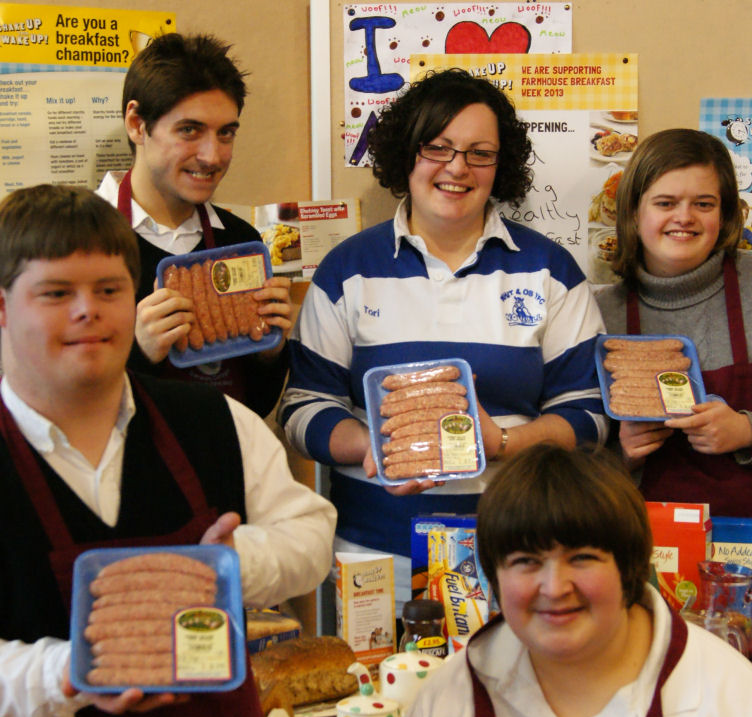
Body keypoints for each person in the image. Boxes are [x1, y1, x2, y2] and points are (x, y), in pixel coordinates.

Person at [0, 184, 336, 717]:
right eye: (56, 292)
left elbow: (310, 536)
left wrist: (230, 563)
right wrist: (75, 672)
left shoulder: (215, 421)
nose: (88, 313)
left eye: (109, 288)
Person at [279, 68, 606, 612]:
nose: (457, 168)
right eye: (438, 147)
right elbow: (302, 408)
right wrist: (376, 449)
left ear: (500, 166)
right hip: (372, 559)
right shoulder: (347, 270)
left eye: (480, 153)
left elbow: (589, 414)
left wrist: (499, 444)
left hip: (515, 558)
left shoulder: (550, 270)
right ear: (407, 154)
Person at [353, 443, 752, 717]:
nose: (555, 587)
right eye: (525, 560)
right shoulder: (450, 694)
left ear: (630, 567)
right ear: (494, 576)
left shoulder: (726, 690)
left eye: (581, 558)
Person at [96, 32, 292, 418]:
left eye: (226, 133)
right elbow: (52, 406)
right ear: (137, 124)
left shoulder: (239, 241)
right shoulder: (76, 242)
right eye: (189, 130)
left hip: (220, 468)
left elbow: (255, 407)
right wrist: (136, 351)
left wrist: (270, 351)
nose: (212, 156)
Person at [596, 128, 752, 515]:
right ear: (634, 211)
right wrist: (624, 455)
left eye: (704, 204)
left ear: (726, 212)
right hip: (645, 544)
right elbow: (575, 463)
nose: (684, 218)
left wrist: (746, 431)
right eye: (665, 203)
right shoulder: (599, 311)